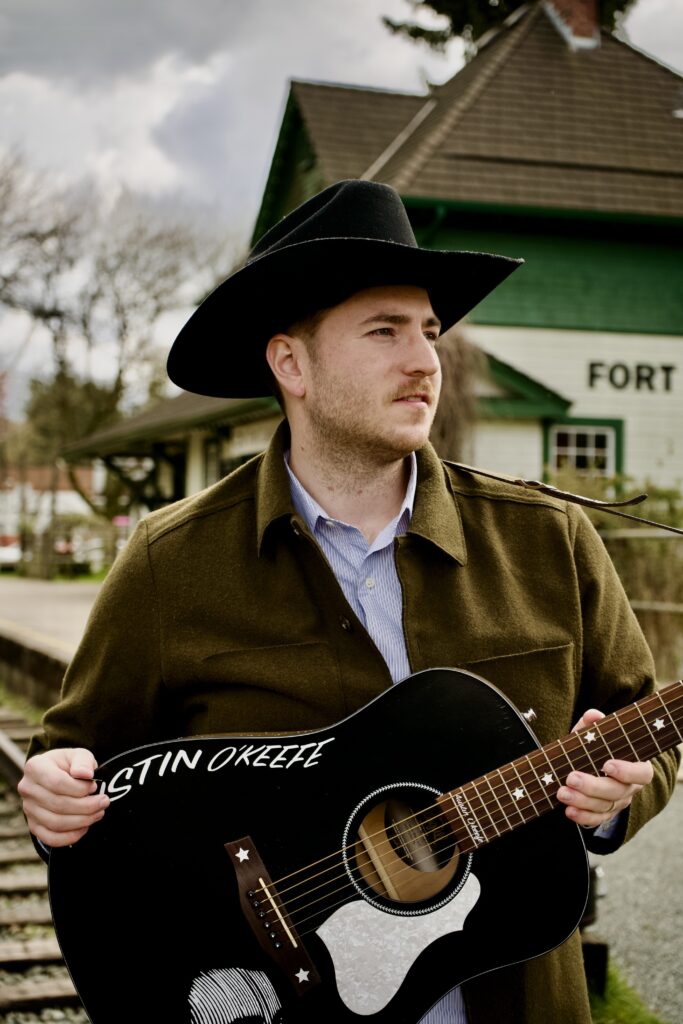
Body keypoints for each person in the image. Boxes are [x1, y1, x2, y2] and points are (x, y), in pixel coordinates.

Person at [19, 180, 678, 1024]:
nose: (425, 361)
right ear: (290, 362)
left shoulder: (549, 539)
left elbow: (645, 730)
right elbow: (72, 759)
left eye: (430, 332)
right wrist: (54, 793)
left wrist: (619, 801)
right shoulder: (170, 562)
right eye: (384, 332)